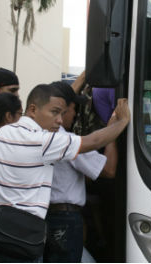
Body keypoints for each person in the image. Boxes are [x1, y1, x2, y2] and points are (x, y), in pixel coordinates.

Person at [0, 84, 130, 262]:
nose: (60, 120)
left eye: (62, 113)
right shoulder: (43, 141)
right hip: (17, 244)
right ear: (33, 110)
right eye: (54, 112)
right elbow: (94, 141)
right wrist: (121, 122)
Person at [43, 81, 118, 262]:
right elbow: (108, 170)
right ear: (63, 108)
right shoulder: (65, 140)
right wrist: (112, 132)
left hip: (47, 216)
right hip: (65, 218)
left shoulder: (38, 133)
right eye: (74, 108)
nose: (76, 114)